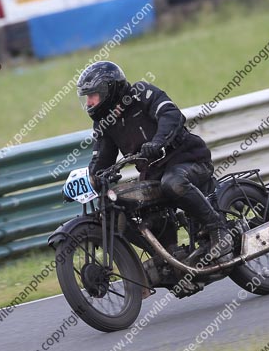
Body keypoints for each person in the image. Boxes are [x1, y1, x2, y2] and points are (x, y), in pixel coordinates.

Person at [77, 61, 233, 261]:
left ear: (109, 89)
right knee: (120, 208)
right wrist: (90, 179)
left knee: (173, 183)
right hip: (154, 172)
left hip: (188, 158)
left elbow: (171, 114)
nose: (89, 102)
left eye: (93, 95)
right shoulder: (104, 122)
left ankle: (219, 230)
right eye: (87, 97)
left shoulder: (142, 94)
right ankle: (165, 257)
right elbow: (102, 157)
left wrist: (158, 142)